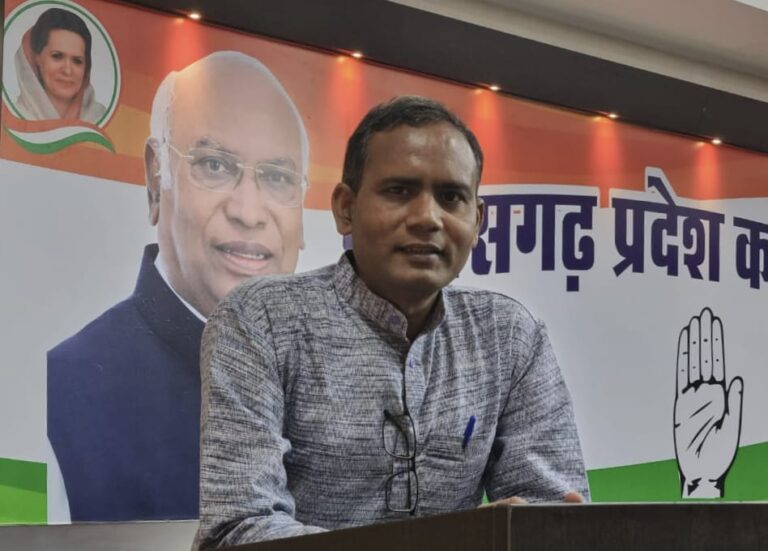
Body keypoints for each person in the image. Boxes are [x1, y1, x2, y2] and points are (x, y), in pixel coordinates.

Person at [194, 96, 588, 549]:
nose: (427, 219)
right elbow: (238, 530)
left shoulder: (509, 335)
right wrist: (457, 542)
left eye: (451, 197)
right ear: (345, 207)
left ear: (477, 220)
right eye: (399, 191)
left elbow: (552, 517)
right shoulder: (261, 319)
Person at [47, 51, 308, 521]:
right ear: (155, 178)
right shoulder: (66, 390)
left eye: (277, 177)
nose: (249, 212)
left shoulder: (331, 382)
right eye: (214, 165)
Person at [13, 7, 106, 122]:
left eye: (77, 61)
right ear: (37, 58)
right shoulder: (14, 116)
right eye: (57, 56)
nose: (67, 70)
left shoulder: (101, 118)